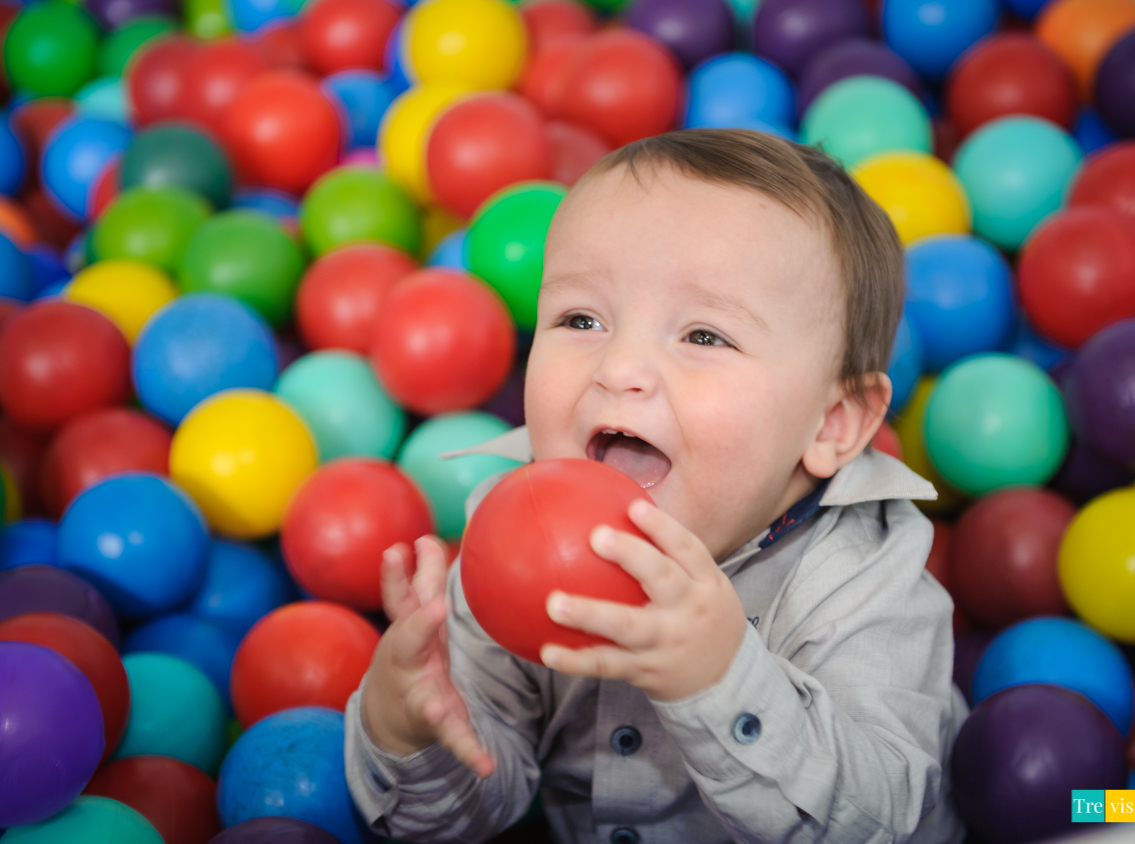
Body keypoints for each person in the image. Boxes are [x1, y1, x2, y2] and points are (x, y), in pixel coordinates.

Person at [345, 129, 967, 843]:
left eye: (703, 336)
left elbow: (877, 821)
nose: (619, 367)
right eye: (582, 319)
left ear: (830, 424)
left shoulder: (862, 580)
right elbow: (461, 818)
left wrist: (720, 678)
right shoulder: (512, 543)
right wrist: (407, 731)